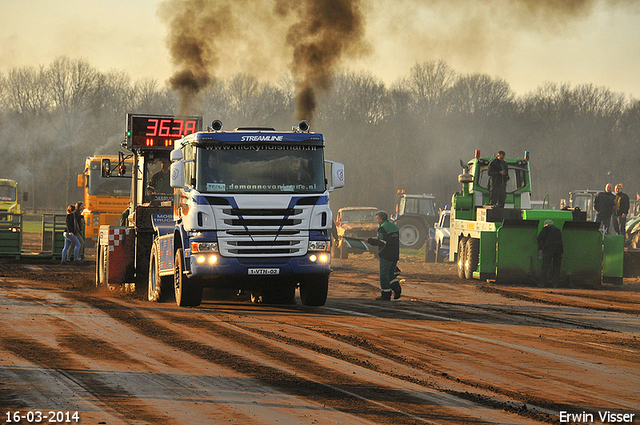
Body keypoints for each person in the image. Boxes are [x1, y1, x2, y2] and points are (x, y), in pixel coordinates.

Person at [366, 211, 401, 300]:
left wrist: (370, 241)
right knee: (391, 274)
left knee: (384, 274)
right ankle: (397, 289)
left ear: (381, 219)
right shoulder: (394, 226)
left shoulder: (382, 228)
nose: (377, 220)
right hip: (395, 254)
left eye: (377, 218)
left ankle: (386, 294)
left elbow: (382, 242)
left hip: (386, 254)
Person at [537, 218, 563, 287]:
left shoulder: (545, 228)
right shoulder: (557, 230)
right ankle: (555, 283)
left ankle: (542, 283)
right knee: (556, 266)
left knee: (545, 265)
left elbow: (540, 238)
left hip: (549, 248)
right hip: (559, 248)